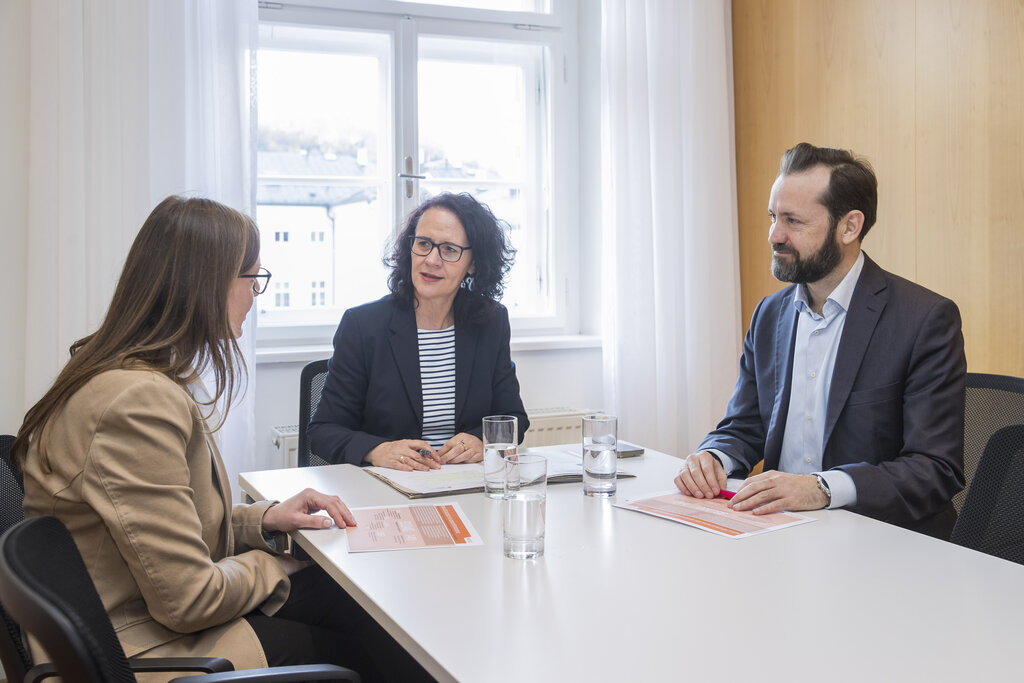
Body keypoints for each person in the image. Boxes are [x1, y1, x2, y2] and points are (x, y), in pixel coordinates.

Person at [12, 196, 428, 681]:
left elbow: (167, 527)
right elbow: (188, 599)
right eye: (252, 278)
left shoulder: (132, 376)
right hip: (141, 649)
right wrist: (277, 565)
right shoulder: (135, 402)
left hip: (133, 616)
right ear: (205, 285)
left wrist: (267, 519)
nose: (256, 293)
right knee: (375, 648)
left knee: (352, 608)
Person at [674, 143, 966, 538]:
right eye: (773, 217)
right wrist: (714, 457)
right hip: (784, 533)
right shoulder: (769, 315)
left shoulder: (924, 319)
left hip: (882, 541)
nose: (774, 235)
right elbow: (743, 426)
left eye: (793, 221)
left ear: (849, 226)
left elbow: (935, 468)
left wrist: (822, 488)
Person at [309, 192, 529, 470]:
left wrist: (481, 440)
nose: (431, 260)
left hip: (466, 483)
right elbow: (323, 431)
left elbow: (513, 418)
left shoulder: (491, 322)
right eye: (423, 244)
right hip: (389, 487)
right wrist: (377, 450)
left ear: (473, 263)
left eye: (449, 249)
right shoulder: (363, 325)